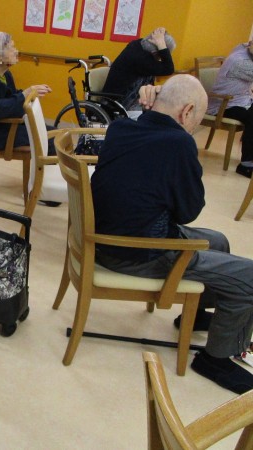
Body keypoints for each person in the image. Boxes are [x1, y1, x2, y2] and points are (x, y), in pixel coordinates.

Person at [91, 74, 253, 395]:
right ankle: (215, 359)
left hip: (108, 238)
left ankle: (195, 316)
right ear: (187, 111)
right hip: (140, 253)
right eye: (197, 120)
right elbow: (189, 211)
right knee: (249, 277)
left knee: (218, 240)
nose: (194, 128)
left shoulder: (121, 127)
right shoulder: (178, 144)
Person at [0, 32, 55, 155]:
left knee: (57, 133)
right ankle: (45, 168)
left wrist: (29, 94)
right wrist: (25, 95)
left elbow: (11, 97)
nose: (16, 51)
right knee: (51, 141)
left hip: (7, 124)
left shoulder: (5, 74)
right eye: (11, 48)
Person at [207, 41, 253, 178]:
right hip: (224, 105)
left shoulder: (244, 49)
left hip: (241, 101)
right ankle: (245, 166)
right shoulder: (240, 61)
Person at [102, 27, 175, 111]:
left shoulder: (137, 45)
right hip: (121, 102)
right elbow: (169, 69)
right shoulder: (141, 59)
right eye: (160, 56)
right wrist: (161, 45)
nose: (159, 59)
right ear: (155, 53)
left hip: (126, 95)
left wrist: (160, 40)